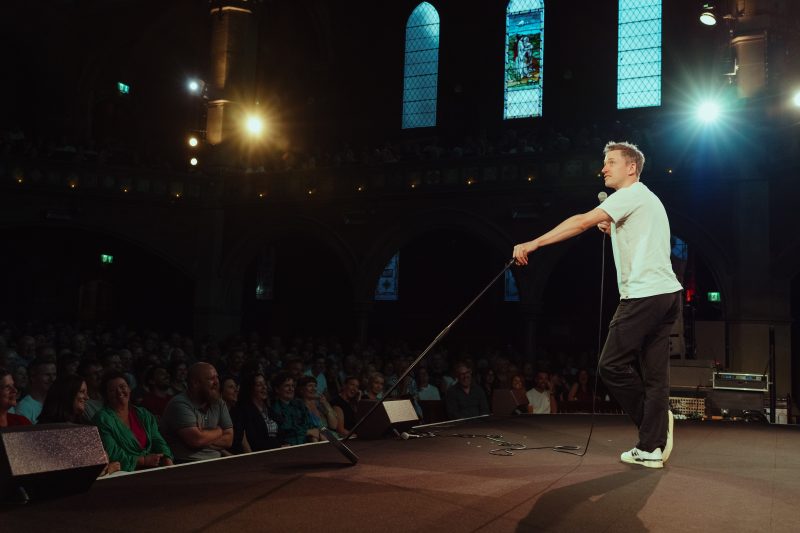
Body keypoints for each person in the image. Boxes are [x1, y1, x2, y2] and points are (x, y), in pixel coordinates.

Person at [513, 141, 682, 468]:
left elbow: (579, 222)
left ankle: (654, 424)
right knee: (655, 377)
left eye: (611, 162)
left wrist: (533, 243)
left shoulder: (630, 195)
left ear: (631, 168)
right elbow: (642, 237)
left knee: (611, 366)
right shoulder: (646, 199)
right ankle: (650, 447)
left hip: (644, 294)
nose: (603, 168)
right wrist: (613, 229)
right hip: (667, 295)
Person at [93, 371, 173, 471]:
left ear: (129, 389)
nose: (119, 392)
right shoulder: (102, 419)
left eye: (123, 387)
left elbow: (157, 440)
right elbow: (113, 453)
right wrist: (143, 461)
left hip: (153, 467)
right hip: (123, 473)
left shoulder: (143, 414)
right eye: (112, 390)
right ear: (106, 396)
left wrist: (167, 458)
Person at [160, 362, 233, 462]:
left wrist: (204, 437)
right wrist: (219, 431)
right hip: (185, 464)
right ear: (196, 383)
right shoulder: (179, 404)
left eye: (217, 377)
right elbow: (196, 440)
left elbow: (229, 439)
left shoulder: (219, 403)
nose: (216, 382)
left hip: (216, 461)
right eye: (211, 379)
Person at [231, 372, 282, 453]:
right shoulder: (243, 411)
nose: (264, 387)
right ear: (251, 388)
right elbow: (242, 438)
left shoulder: (270, 410)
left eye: (264, 384)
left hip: (276, 452)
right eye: (259, 385)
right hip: (258, 455)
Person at [270, 372, 320, 445]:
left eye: (293, 386)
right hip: (291, 446)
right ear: (277, 389)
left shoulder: (299, 404)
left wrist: (313, 436)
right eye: (287, 386)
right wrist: (307, 432)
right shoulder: (274, 408)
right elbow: (286, 430)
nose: (291, 389)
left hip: (309, 442)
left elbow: (310, 425)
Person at [15, 358, 57, 423]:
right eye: (47, 375)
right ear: (33, 378)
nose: (52, 379)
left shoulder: (56, 403)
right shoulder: (24, 408)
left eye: (54, 374)